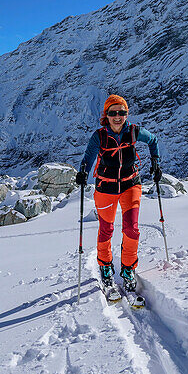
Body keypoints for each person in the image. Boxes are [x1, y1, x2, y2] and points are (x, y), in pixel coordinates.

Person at [75, 94, 161, 293]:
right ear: (106, 115)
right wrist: (83, 172)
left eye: (122, 112)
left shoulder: (133, 131)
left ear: (126, 114)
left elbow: (153, 141)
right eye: (113, 113)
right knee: (107, 229)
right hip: (106, 188)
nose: (117, 117)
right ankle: (105, 267)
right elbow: (88, 157)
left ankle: (128, 269)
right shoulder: (100, 135)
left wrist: (155, 162)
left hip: (131, 185)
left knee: (132, 229)